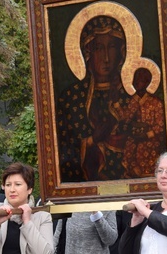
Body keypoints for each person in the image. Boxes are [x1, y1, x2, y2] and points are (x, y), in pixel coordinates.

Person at [56, 15, 131, 181]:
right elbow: (63, 148)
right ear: (87, 52)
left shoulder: (130, 95)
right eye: (98, 48)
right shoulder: (71, 97)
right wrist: (91, 141)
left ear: (121, 51)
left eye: (111, 47)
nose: (106, 58)